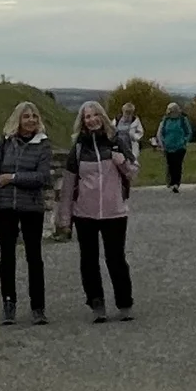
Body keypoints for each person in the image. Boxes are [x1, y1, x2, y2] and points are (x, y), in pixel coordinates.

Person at [56, 99, 136, 320]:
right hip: (84, 213)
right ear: (83, 122)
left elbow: (133, 172)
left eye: (95, 115)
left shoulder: (117, 141)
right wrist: (64, 218)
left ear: (102, 116)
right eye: (87, 117)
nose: (92, 120)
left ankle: (124, 302)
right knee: (89, 260)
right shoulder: (78, 148)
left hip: (114, 212)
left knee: (116, 258)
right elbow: (69, 184)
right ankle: (96, 303)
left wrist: (122, 162)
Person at [0, 100, 53, 324]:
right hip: (5, 206)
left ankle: (38, 307)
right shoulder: (4, 142)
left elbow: (42, 177)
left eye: (34, 116)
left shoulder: (43, 144)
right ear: (18, 119)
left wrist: (13, 178)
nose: (31, 120)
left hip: (32, 206)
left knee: (34, 257)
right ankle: (9, 303)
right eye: (26, 116)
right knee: (7, 256)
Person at [157, 99, 192, 192]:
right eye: (170, 111)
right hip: (168, 146)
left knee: (178, 164)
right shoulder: (165, 120)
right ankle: (171, 182)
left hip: (180, 147)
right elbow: (161, 133)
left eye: (174, 111)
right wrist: (163, 142)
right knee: (170, 164)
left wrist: (184, 141)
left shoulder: (183, 119)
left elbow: (188, 132)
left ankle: (176, 183)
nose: (172, 113)